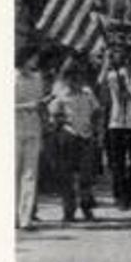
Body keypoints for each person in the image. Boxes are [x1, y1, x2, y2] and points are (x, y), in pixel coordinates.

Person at [48, 59, 101, 223]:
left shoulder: (87, 93)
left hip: (85, 136)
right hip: (68, 136)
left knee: (86, 176)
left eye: (78, 77)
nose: (75, 81)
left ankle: (87, 207)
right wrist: (60, 121)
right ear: (66, 79)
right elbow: (53, 115)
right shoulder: (61, 95)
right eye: (71, 77)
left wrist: (95, 128)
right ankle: (68, 210)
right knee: (66, 175)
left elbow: (97, 111)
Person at [98, 50, 131, 210]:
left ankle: (130, 192)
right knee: (117, 163)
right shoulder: (114, 76)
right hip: (117, 123)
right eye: (126, 62)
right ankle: (120, 196)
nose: (130, 65)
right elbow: (100, 84)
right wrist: (106, 63)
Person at [15, 45, 46, 230]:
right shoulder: (12, 77)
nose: (35, 61)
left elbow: (40, 102)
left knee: (30, 175)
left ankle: (25, 217)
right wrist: (27, 105)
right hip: (14, 128)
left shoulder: (38, 79)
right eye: (32, 57)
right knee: (13, 173)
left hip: (34, 129)